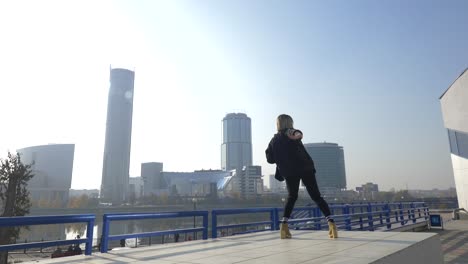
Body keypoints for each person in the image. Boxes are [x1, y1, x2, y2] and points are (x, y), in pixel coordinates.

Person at [266, 114, 338, 239]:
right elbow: (299, 134)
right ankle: (332, 225)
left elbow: (270, 159)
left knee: (292, 197)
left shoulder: (274, 140)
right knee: (316, 196)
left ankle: (284, 227)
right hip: (305, 168)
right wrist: (296, 136)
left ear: (278, 124)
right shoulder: (291, 132)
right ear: (289, 123)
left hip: (289, 171)